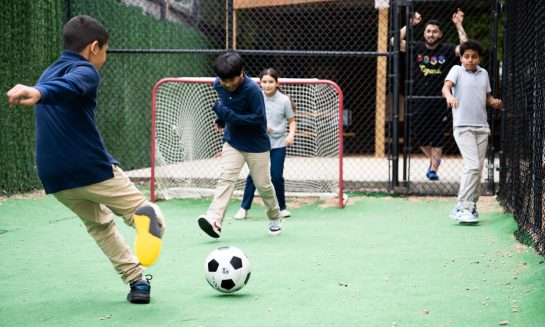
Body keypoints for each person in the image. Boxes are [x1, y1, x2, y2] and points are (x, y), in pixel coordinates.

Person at [5, 15, 165, 304]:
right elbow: (73, 86)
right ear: (94, 47)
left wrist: (40, 89)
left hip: (55, 178)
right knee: (148, 215)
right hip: (90, 168)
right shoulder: (87, 71)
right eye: (105, 51)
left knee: (100, 226)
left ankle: (137, 283)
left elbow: (60, 89)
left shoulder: (46, 74)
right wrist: (40, 93)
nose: (104, 57)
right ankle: (142, 219)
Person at [197, 52, 282, 238]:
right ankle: (214, 219)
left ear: (241, 73)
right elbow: (227, 105)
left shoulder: (252, 90)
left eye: (231, 80)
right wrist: (221, 118)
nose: (227, 84)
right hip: (233, 142)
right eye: (223, 80)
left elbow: (259, 119)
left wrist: (226, 115)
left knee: (264, 185)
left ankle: (275, 217)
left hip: (256, 145)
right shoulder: (218, 84)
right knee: (226, 179)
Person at [394, 9, 468, 180]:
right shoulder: (416, 47)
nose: (431, 34)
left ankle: (433, 169)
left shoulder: (447, 49)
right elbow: (394, 41)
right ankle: (434, 160)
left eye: (435, 31)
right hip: (418, 99)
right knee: (420, 136)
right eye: (428, 31)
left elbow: (466, 47)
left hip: (440, 100)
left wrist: (458, 24)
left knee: (437, 136)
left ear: (440, 34)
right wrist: (410, 23)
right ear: (424, 33)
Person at [442, 39, 502, 223]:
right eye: (466, 56)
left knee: (478, 168)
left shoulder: (483, 73)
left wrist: (493, 101)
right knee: (473, 166)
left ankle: (471, 205)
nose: (470, 60)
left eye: (474, 57)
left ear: (479, 58)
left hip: (482, 127)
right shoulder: (456, 70)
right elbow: (445, 87)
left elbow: (487, 96)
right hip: (463, 126)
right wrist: (450, 97)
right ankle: (461, 206)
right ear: (461, 57)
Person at [234, 68, 296, 220]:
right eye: (264, 82)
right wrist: (259, 126)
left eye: (271, 82)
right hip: (258, 143)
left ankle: (281, 208)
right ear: (259, 83)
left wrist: (291, 134)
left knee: (276, 176)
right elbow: (247, 116)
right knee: (254, 176)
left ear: (276, 83)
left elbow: (292, 121)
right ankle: (244, 208)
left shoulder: (284, 100)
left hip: (278, 144)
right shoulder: (255, 96)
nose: (267, 85)